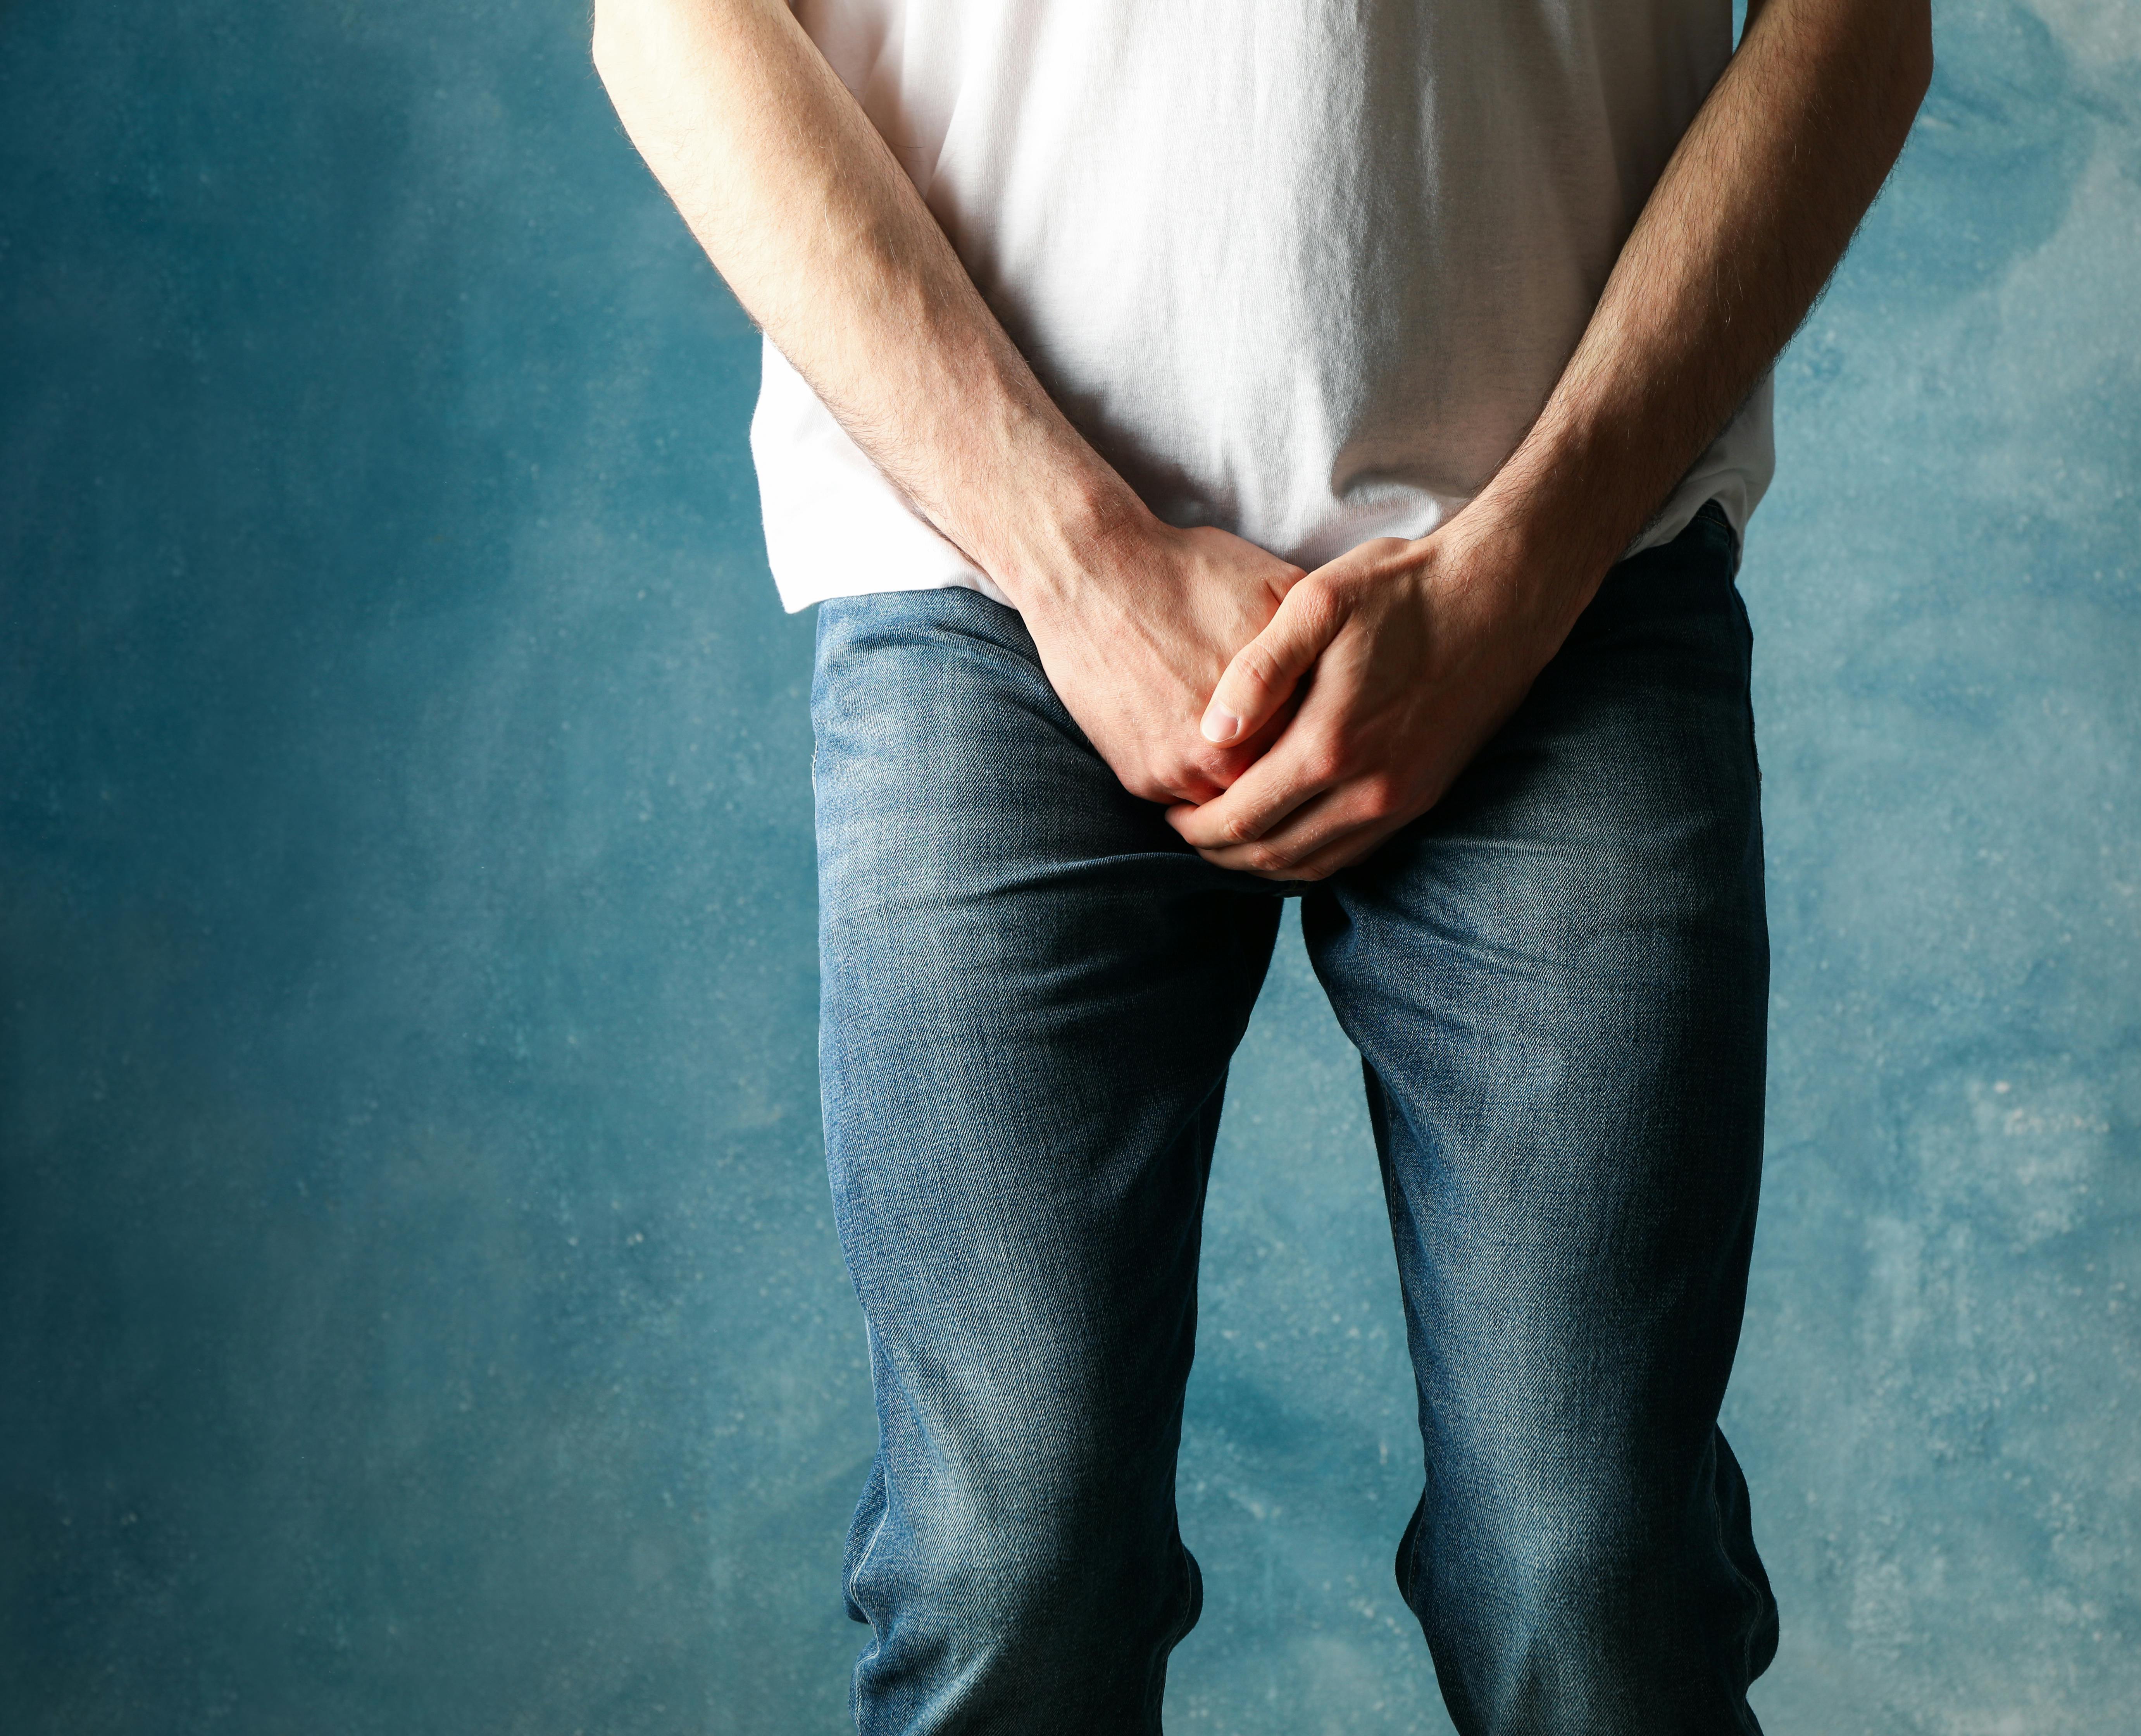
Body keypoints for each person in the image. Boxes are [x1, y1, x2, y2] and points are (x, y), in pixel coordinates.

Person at [592, 0, 1927, 1727]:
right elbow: (671, 27)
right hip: (986, 587)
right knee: (1011, 1572)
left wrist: (1528, 561)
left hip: (1568, 578)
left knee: (1592, 1591)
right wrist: (1073, 561)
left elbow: (1860, 29)